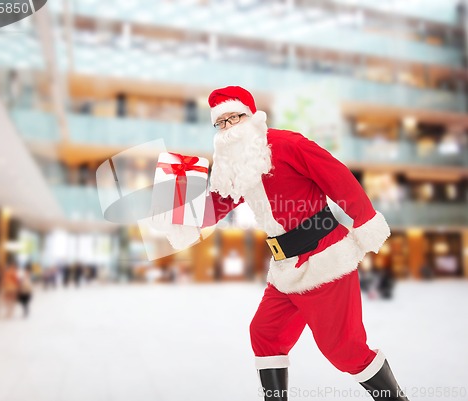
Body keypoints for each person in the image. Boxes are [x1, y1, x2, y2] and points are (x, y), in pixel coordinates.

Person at [162, 86, 409, 400]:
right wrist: (180, 218)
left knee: (344, 349)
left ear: (251, 116)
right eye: (220, 123)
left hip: (324, 259)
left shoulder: (287, 144)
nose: (227, 128)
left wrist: (365, 220)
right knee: (266, 333)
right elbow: (220, 202)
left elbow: (338, 178)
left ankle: (396, 399)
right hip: (285, 267)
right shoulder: (237, 166)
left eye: (233, 118)